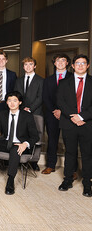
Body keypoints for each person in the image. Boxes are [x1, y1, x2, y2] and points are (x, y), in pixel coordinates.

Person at [0, 91, 39, 195]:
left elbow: (35, 136)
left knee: (15, 149)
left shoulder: (27, 116)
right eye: (9, 100)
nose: (12, 103)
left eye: (15, 100)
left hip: (19, 144)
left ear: (20, 102)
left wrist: (25, 144)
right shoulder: (3, 114)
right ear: (7, 102)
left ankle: (10, 180)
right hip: (6, 142)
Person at [56, 54, 92, 197]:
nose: (80, 66)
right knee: (70, 153)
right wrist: (74, 116)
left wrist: (82, 117)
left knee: (87, 154)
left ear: (88, 66)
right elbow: (60, 101)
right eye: (78, 63)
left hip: (87, 124)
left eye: (83, 63)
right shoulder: (65, 82)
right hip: (69, 123)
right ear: (72, 66)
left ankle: (87, 184)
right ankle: (67, 180)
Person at [42, 54, 73, 175]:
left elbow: (74, 98)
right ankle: (51, 165)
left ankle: (72, 169)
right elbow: (45, 97)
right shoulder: (48, 80)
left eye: (63, 60)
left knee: (70, 142)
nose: (60, 63)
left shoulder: (72, 78)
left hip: (68, 115)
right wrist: (54, 110)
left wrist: (63, 111)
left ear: (67, 63)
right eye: (57, 61)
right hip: (51, 114)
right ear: (54, 63)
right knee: (52, 140)